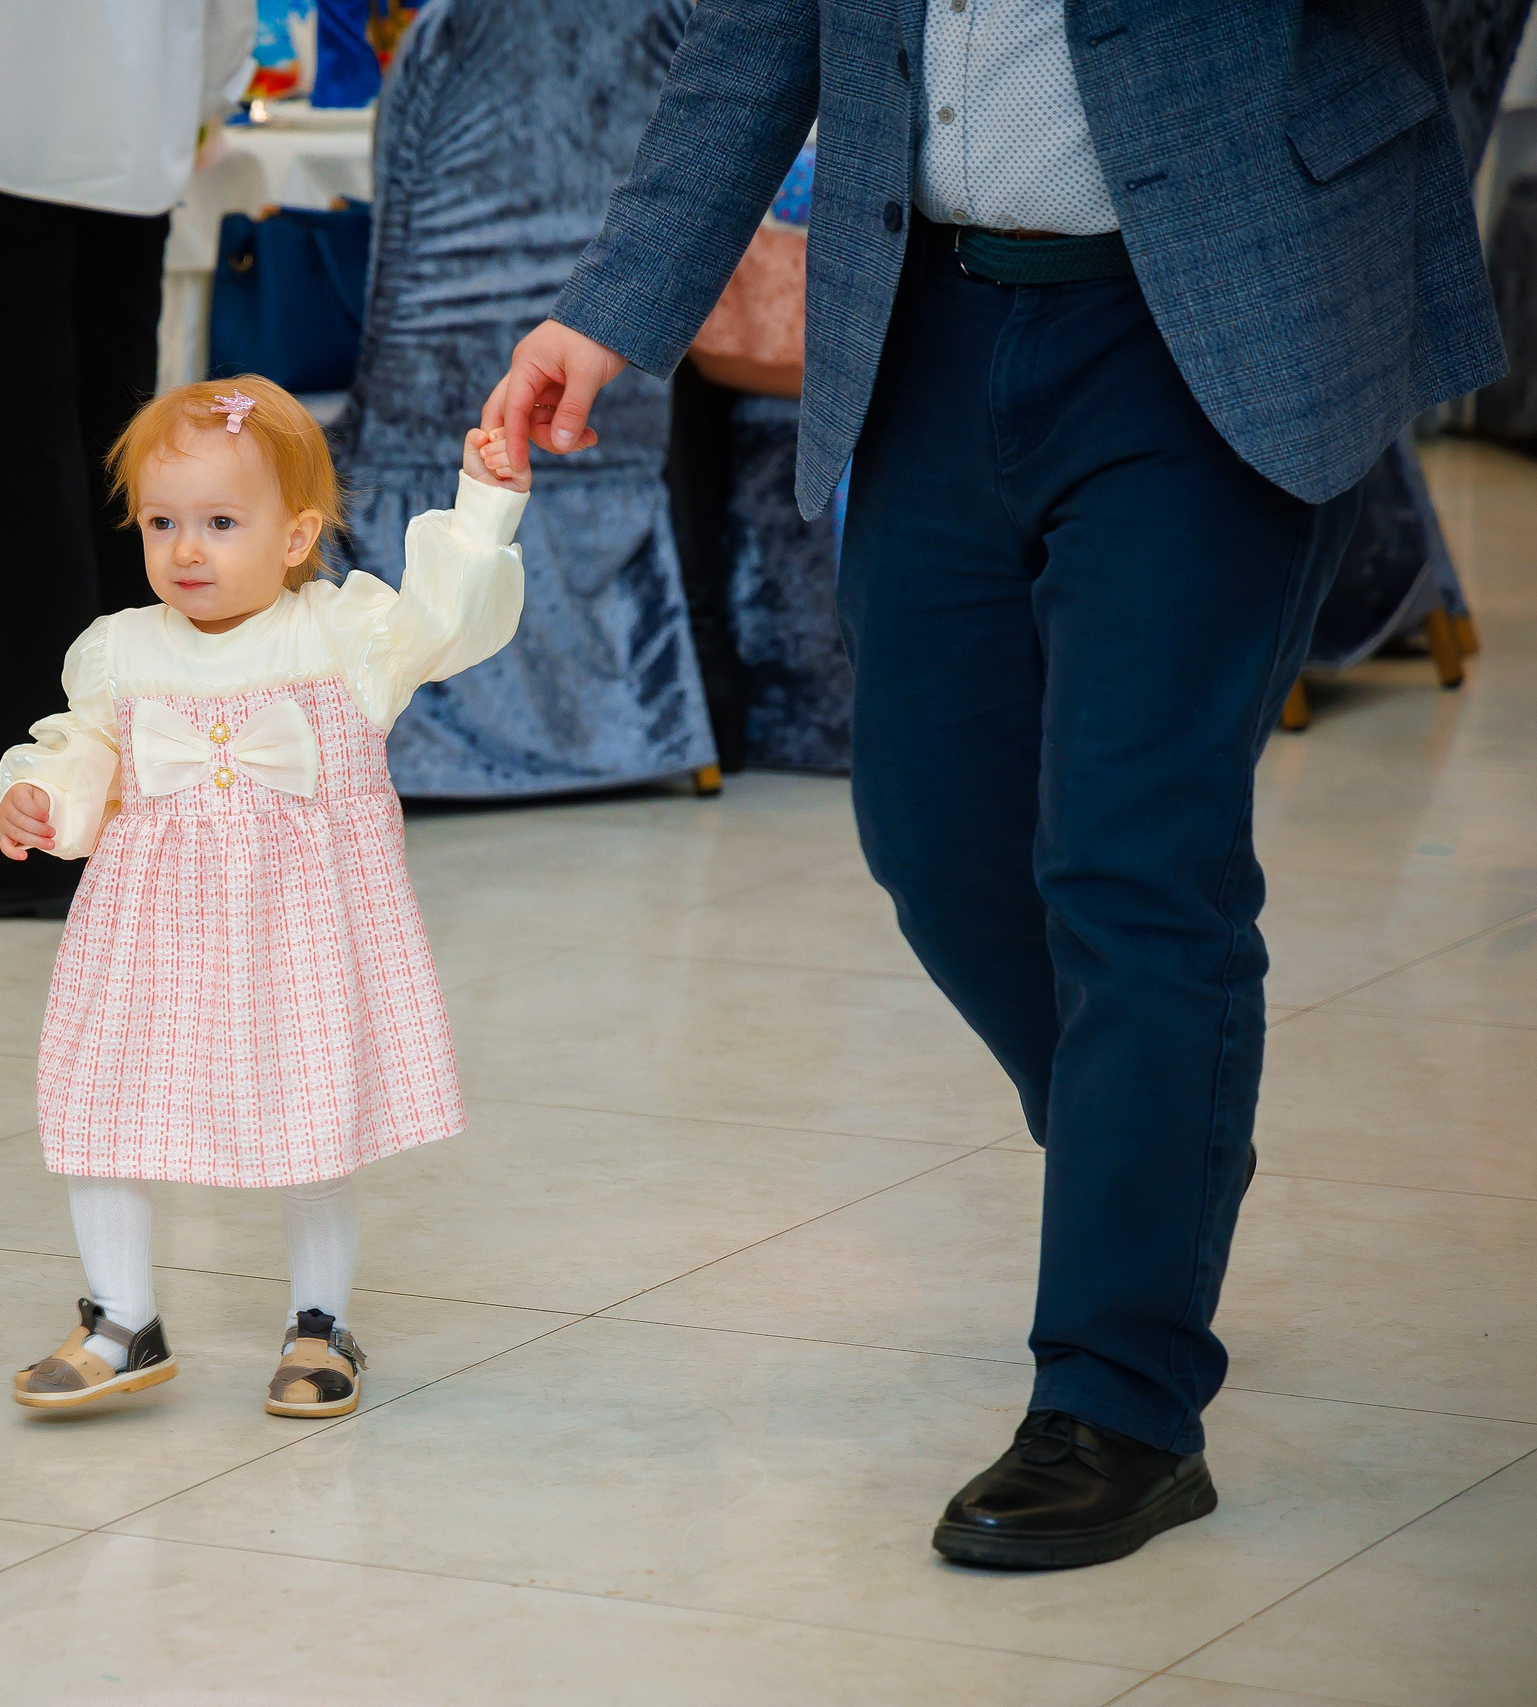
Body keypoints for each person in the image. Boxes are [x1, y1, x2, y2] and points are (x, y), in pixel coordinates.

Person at [486, 0, 1504, 1567]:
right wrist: (610, 308)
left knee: (1131, 859)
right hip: (930, 317)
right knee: (933, 828)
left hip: (1215, 305)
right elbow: (764, 36)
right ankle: (1151, 1159)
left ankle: (1121, 1400)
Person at [0, 378, 528, 1415]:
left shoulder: (342, 638)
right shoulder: (121, 650)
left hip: (301, 937)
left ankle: (318, 1328)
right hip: (146, 935)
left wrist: (482, 504)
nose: (185, 550)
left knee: (310, 1117)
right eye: (162, 523)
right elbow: (83, 746)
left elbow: (445, 620)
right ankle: (119, 1319)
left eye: (219, 523)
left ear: (295, 537)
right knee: (99, 1108)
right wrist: (39, 795)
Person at [0, 0, 257, 921]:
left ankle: (39, 841)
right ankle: (128, 814)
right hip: (145, 126)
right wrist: (211, 90)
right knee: (112, 472)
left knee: (27, 479)